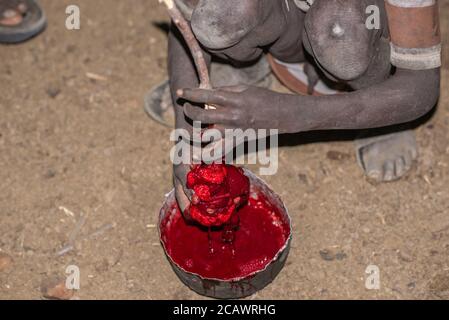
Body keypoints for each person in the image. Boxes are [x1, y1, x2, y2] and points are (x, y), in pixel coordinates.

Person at [146, 0, 441, 211]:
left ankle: (383, 117)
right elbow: (186, 15)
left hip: (360, 38)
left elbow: (421, 85)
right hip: (286, 30)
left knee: (339, 29)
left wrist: (288, 114)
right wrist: (186, 136)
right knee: (220, 16)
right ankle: (246, 71)